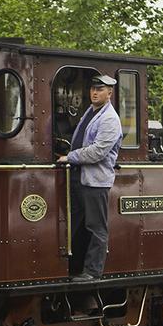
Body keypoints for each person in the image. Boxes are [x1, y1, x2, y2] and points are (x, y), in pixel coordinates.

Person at [57, 74, 123, 282]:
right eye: (93, 89)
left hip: (95, 181)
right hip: (80, 177)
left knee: (96, 227)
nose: (95, 92)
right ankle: (72, 266)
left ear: (110, 93)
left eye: (100, 89)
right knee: (73, 223)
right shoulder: (90, 112)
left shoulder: (110, 119)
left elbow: (97, 152)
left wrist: (70, 157)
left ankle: (93, 272)